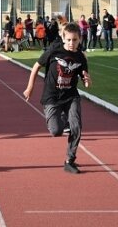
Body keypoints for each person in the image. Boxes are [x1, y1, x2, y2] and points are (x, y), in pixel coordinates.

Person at [23, 23, 91, 174]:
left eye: (75, 40)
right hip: (52, 97)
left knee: (76, 127)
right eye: (68, 40)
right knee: (55, 131)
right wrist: (30, 88)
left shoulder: (80, 56)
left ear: (80, 39)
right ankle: (62, 117)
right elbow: (35, 67)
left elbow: (83, 74)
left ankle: (70, 160)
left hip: (71, 96)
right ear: (63, 38)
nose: (71, 43)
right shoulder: (54, 51)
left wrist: (86, 79)